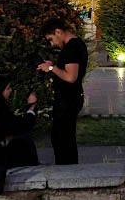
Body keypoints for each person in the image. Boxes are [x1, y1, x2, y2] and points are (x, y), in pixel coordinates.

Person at [37, 18, 89, 165]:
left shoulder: (71, 48)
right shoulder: (76, 45)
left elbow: (71, 77)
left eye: (51, 39)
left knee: (62, 138)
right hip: (70, 98)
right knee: (63, 137)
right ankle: (67, 167)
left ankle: (65, 169)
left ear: (58, 32)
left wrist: (51, 69)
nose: (52, 44)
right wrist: (53, 65)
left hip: (68, 100)